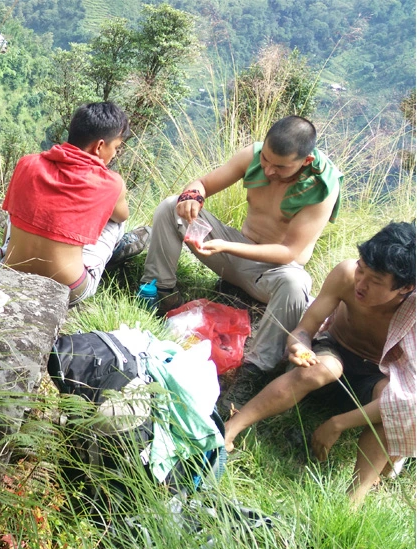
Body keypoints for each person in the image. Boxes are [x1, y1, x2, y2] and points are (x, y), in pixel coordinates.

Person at [140, 116, 342, 409]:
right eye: (266, 160)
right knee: (172, 206)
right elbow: (203, 183)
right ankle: (160, 293)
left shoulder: (322, 188)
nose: (269, 170)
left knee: (297, 282)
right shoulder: (254, 155)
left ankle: (253, 371)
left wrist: (226, 246)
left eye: (280, 167)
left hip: (272, 274)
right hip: (231, 254)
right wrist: (192, 196)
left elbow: (289, 252)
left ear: (305, 160)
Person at [222, 221, 415, 504]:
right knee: (325, 368)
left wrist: (338, 424)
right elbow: (306, 327)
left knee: (394, 410)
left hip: (377, 376)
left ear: (405, 288)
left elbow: (408, 399)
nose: (361, 284)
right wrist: (299, 346)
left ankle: (353, 501)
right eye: (361, 269)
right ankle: (232, 428)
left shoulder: (413, 312)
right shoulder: (346, 275)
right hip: (332, 352)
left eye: (375, 281)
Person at [0, 102, 147, 306]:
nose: (114, 154)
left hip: (10, 273)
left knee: (19, 205)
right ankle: (113, 253)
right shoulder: (111, 183)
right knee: (115, 222)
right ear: (99, 146)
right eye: (116, 148)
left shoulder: (27, 163)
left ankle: (6, 250)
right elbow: (123, 215)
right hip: (68, 289)